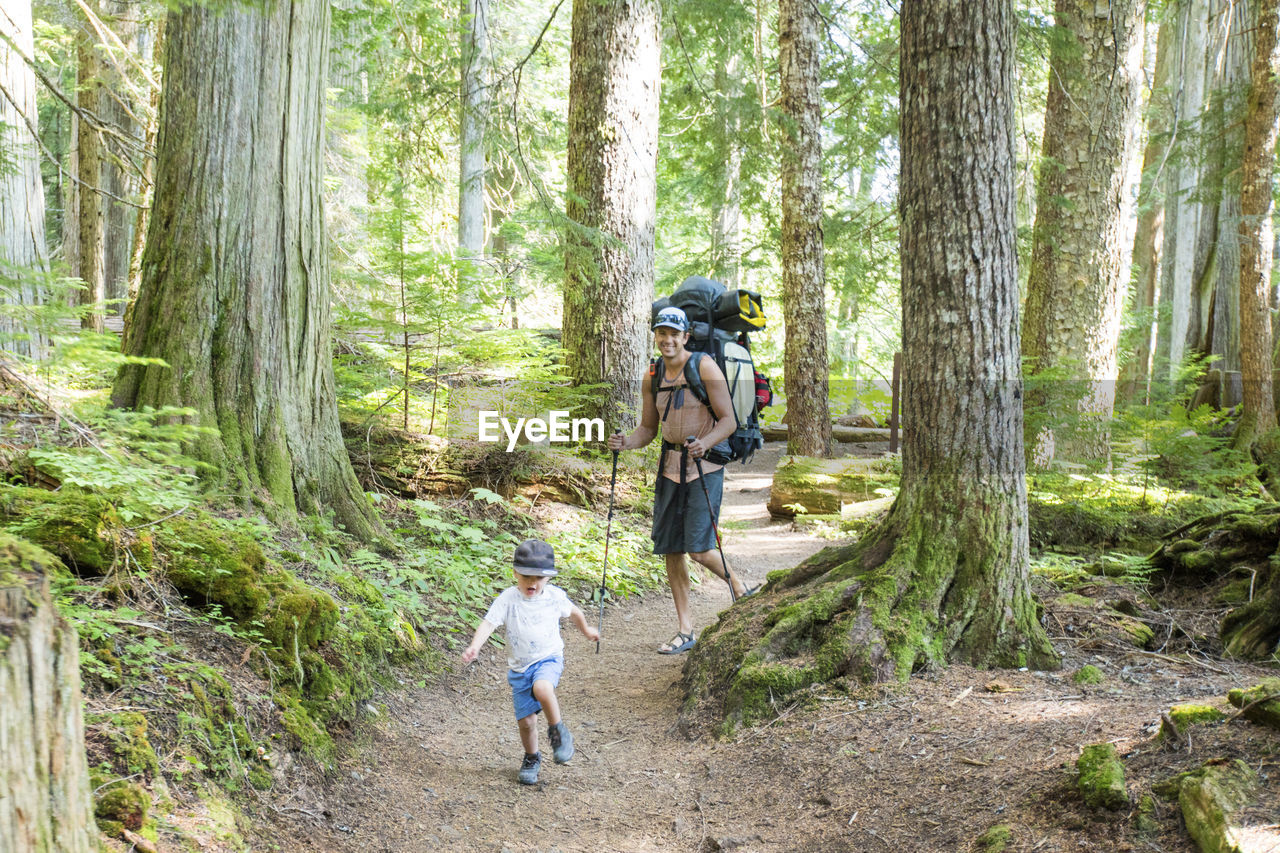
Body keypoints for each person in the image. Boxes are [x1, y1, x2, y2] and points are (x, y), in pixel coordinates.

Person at [607, 305, 755, 656]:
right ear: (656, 336)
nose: (668, 339)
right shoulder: (652, 374)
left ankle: (742, 590)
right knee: (672, 548)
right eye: (662, 333)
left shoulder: (704, 365)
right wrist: (626, 442)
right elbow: (647, 429)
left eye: (675, 333)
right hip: (670, 468)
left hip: (705, 468)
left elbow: (728, 420)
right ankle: (685, 629)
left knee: (700, 549)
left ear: (686, 336)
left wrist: (705, 443)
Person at [461, 538, 600, 785]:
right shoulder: (508, 599)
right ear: (515, 573)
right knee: (526, 722)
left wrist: (587, 630)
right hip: (519, 668)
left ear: (548, 578)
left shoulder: (555, 597)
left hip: (548, 658)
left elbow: (575, 613)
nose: (532, 583)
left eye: (539, 578)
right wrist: (475, 646)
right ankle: (531, 757)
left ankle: (558, 734)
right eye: (526, 577)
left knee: (543, 687)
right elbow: (489, 623)